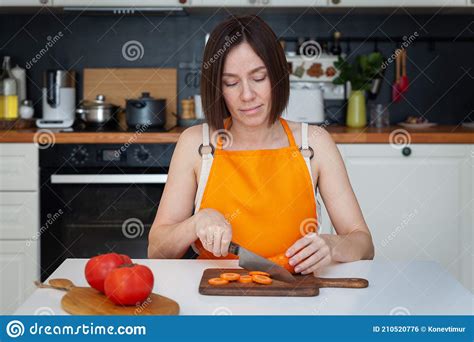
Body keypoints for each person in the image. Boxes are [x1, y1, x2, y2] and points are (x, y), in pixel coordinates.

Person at [148, 15, 374, 275]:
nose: (247, 95)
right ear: (217, 88)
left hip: (294, 296)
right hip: (213, 297)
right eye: (231, 83)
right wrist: (195, 223)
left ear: (277, 76)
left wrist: (332, 244)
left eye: (259, 78)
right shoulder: (195, 145)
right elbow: (156, 251)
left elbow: (364, 244)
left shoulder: (313, 144)